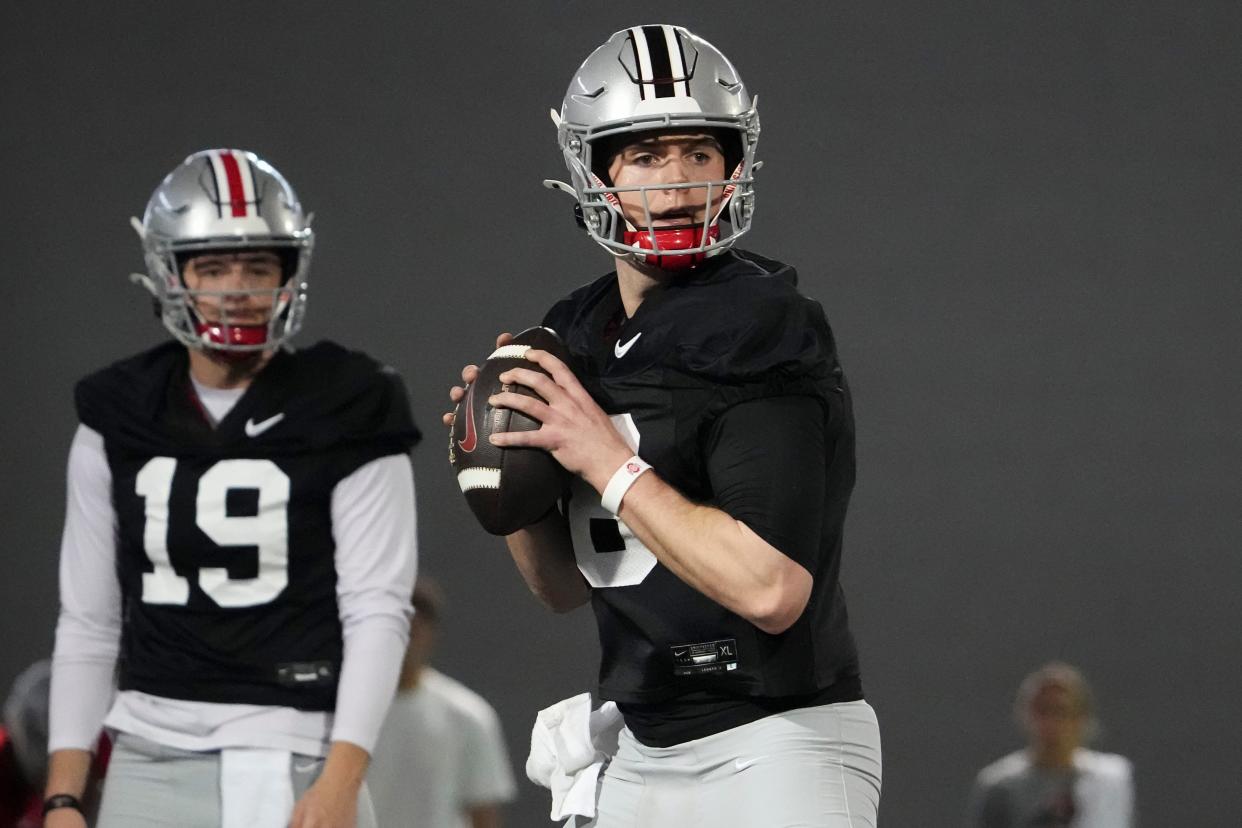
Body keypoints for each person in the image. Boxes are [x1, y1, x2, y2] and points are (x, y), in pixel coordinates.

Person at [446, 25, 881, 827]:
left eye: (698, 153)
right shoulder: (574, 329)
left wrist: (606, 460)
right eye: (646, 157)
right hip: (640, 743)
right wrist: (507, 471)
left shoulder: (762, 322)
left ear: (734, 165)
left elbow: (771, 589)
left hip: (775, 739)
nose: (677, 185)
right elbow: (563, 590)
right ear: (593, 172)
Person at [43, 149, 420, 828]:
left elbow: (378, 608)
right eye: (212, 267)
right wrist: (65, 795)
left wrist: (341, 778)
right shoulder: (118, 411)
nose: (237, 288)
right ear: (170, 272)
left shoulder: (349, 403)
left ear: (289, 274)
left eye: (258, 265)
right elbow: (89, 621)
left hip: (300, 748)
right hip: (148, 751)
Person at [367, 577, 517, 828]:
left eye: (413, 630)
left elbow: (483, 812)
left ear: (430, 633)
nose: (404, 640)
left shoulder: (469, 715)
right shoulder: (337, 716)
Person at [968, 663, 1135, 828]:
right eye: (1043, 711)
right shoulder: (1001, 787)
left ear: (1082, 718)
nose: (1051, 723)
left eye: (1061, 711)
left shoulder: (1110, 780)